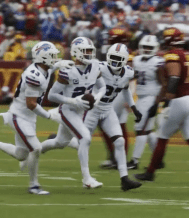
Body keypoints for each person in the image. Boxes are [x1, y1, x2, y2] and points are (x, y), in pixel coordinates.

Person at [0, 42, 74, 195]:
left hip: (28, 117)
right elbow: (31, 104)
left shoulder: (43, 68)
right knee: (36, 148)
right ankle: (34, 186)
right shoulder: (34, 75)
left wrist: (60, 63)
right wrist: (49, 115)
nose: (54, 59)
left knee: (21, 155)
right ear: (43, 58)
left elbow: (51, 67)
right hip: (19, 116)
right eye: (52, 56)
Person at [134, 27, 189, 183]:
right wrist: (158, 101)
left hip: (178, 100)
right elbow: (170, 81)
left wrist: (166, 100)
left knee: (162, 137)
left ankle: (150, 172)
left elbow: (173, 79)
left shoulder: (173, 55)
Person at [66, 43, 143, 191]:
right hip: (92, 110)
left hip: (108, 110)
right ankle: (60, 141)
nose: (114, 61)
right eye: (112, 57)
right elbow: (82, 63)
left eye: (118, 58)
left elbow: (125, 88)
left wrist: (134, 107)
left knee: (120, 141)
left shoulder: (127, 72)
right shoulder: (99, 67)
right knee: (80, 143)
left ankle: (124, 179)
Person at [40, 37, 107, 189]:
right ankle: (87, 179)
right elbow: (51, 95)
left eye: (91, 51)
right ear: (76, 52)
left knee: (60, 142)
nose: (90, 54)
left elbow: (102, 88)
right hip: (68, 109)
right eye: (86, 51)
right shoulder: (68, 70)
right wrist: (73, 101)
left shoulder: (95, 66)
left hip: (81, 111)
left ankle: (36, 150)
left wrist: (96, 98)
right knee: (85, 138)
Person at [127, 35, 165, 170]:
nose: (147, 49)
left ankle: (135, 161)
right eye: (145, 47)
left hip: (151, 97)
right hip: (141, 97)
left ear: (155, 48)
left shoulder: (158, 62)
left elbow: (163, 83)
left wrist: (157, 102)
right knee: (148, 131)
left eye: (150, 47)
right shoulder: (136, 60)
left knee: (140, 130)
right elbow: (133, 74)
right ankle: (158, 159)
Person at [99, 26, 134, 169]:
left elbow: (130, 77)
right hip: (116, 90)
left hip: (119, 92)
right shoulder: (121, 51)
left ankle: (117, 157)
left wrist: (129, 97)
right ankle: (117, 158)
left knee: (107, 122)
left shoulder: (126, 54)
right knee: (119, 124)